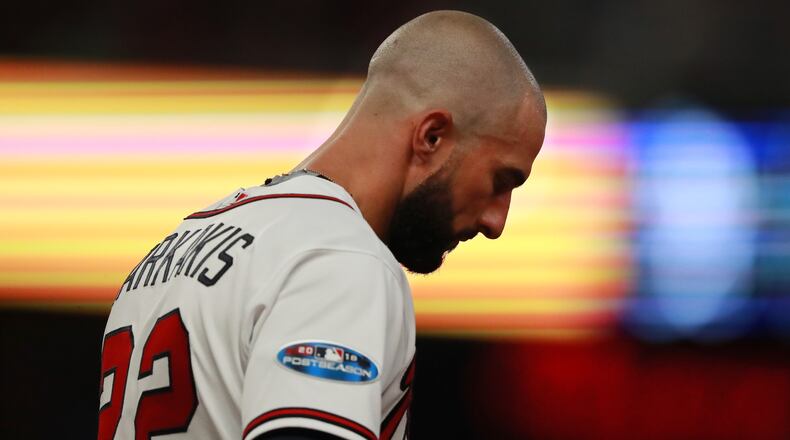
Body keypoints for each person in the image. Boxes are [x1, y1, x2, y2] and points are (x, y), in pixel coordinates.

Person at [97, 9, 546, 440]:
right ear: (432, 136)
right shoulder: (341, 257)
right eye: (501, 180)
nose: (496, 220)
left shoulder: (175, 247)